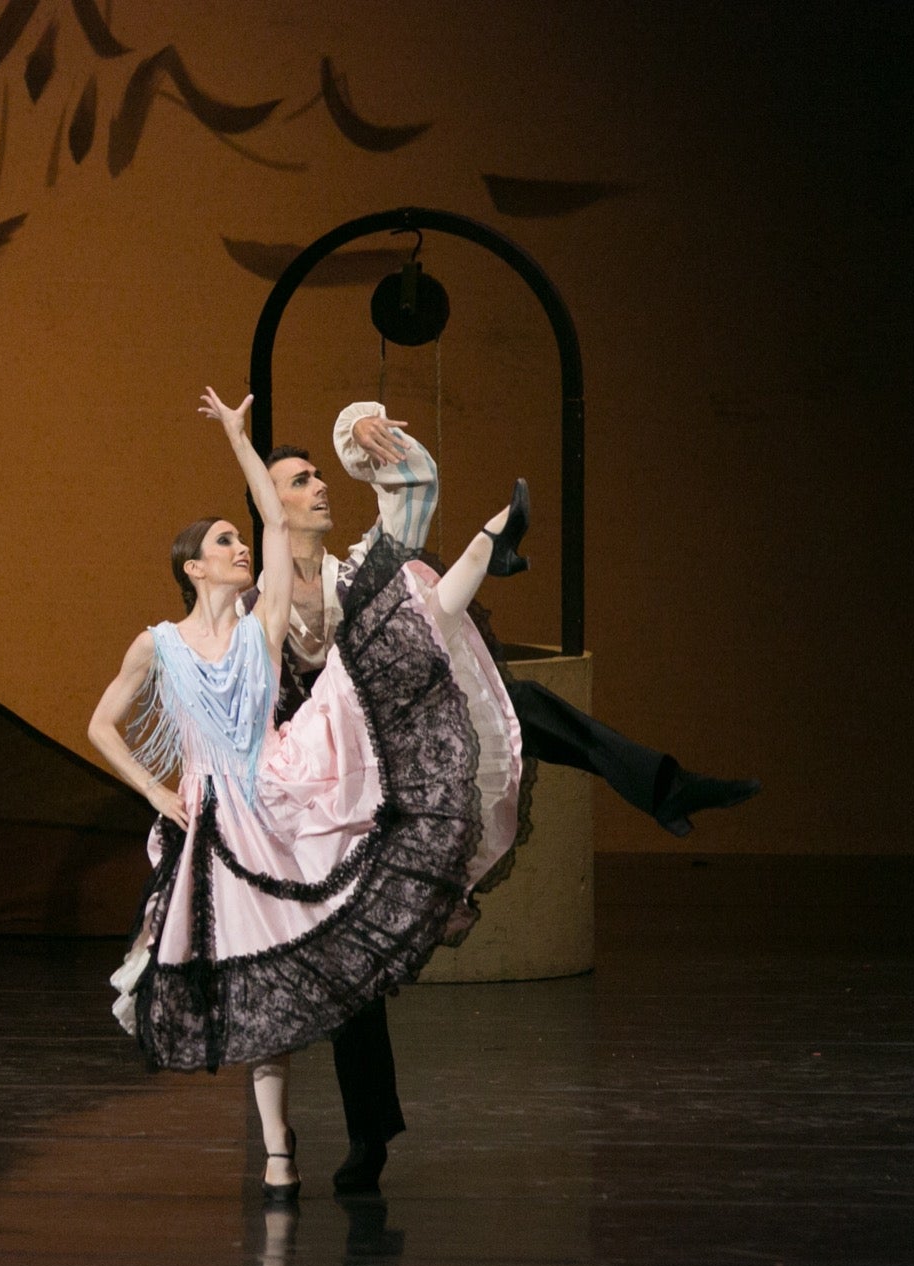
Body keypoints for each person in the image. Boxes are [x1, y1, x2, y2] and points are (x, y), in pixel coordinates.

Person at [244, 401, 762, 1195]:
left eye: (319, 474)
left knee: (516, 706)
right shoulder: (263, 605)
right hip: (329, 800)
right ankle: (370, 1136)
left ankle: (664, 785)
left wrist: (360, 431)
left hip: (404, 753)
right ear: (271, 501)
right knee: (355, 968)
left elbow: (412, 489)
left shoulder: (362, 568)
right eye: (301, 478)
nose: (319, 487)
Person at [88, 388, 533, 1202]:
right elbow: (103, 725)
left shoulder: (279, 607)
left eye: (242, 539)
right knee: (270, 984)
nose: (242, 547)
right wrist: (157, 791)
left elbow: (283, 516)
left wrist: (237, 439)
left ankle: (489, 540)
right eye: (224, 542)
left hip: (293, 780)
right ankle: (276, 1151)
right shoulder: (174, 638)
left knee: (395, 630)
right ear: (195, 567)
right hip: (228, 815)